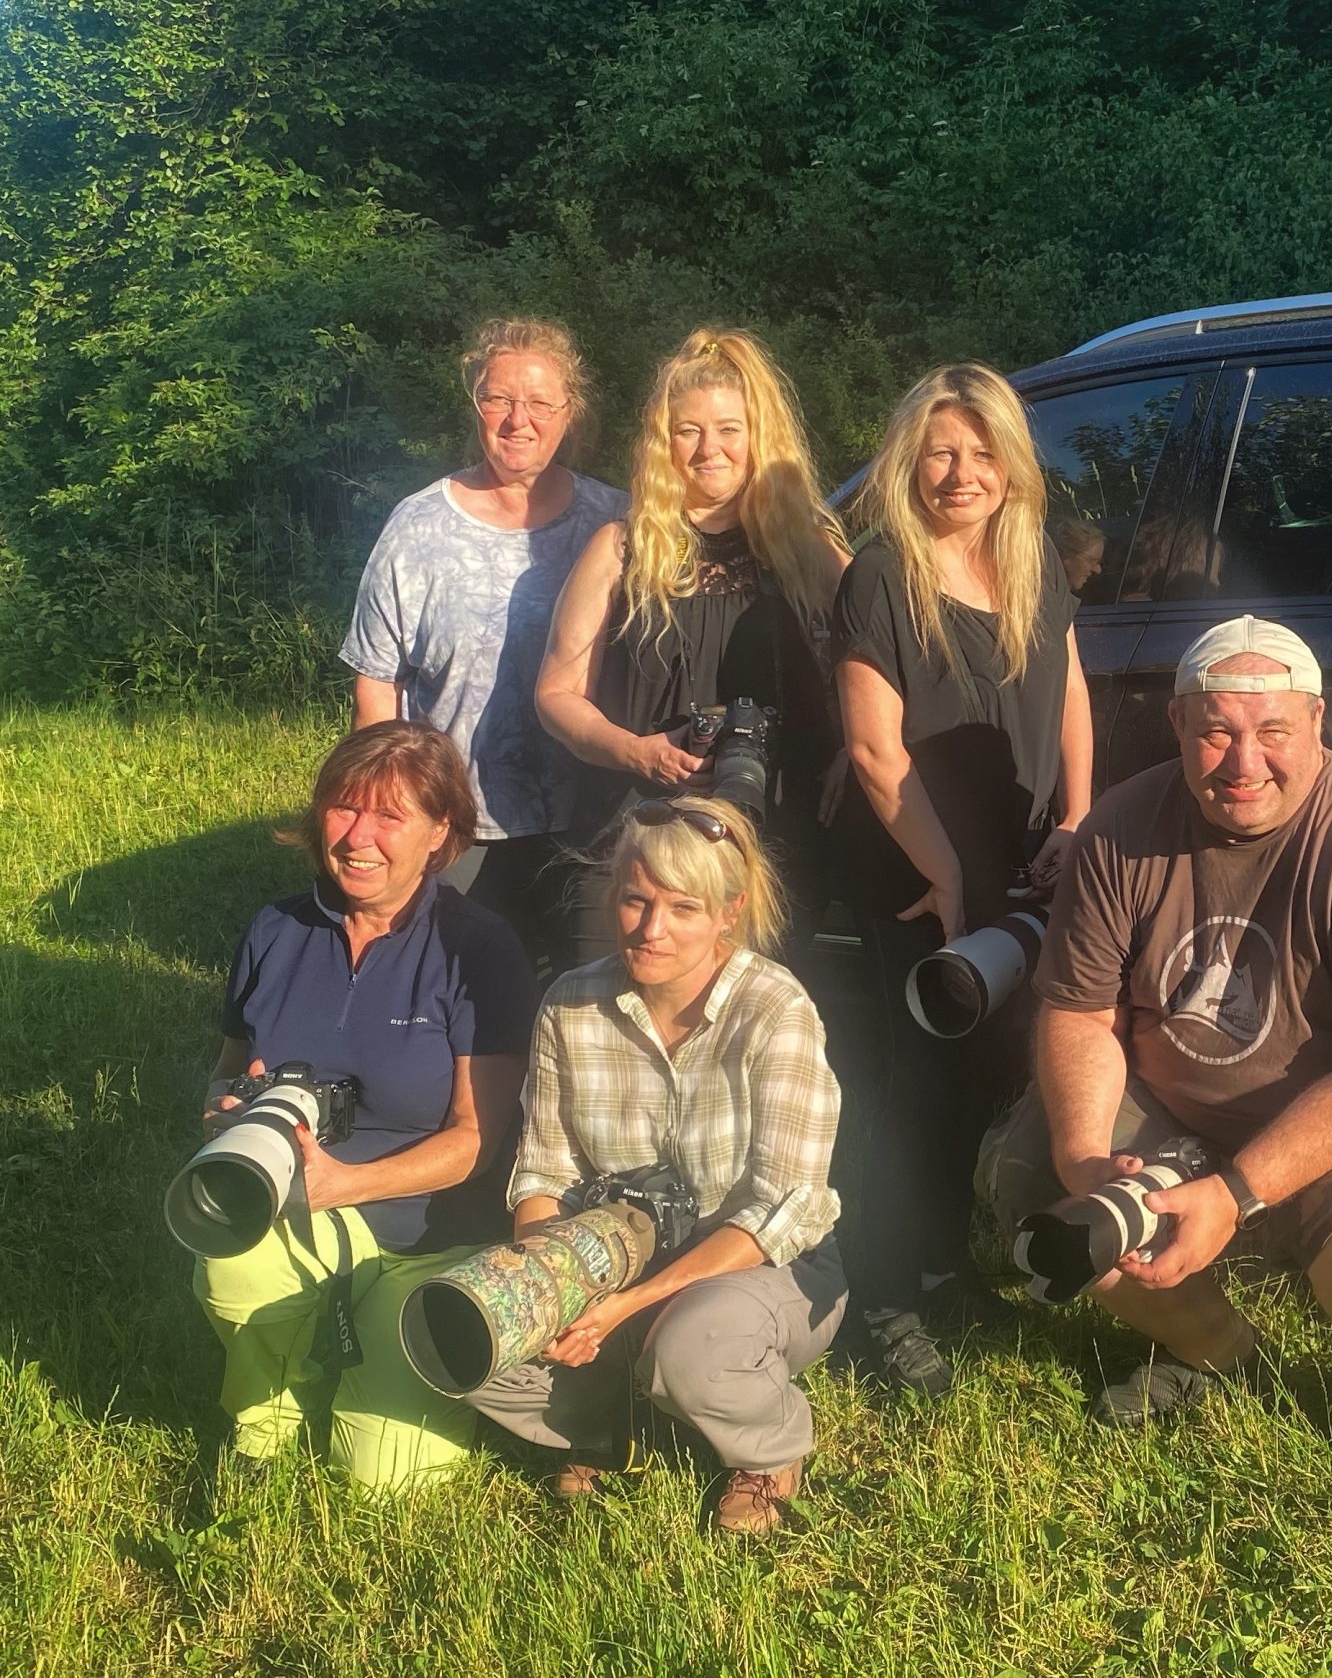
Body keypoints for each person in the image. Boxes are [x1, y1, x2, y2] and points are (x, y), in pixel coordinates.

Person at [979, 616, 1332, 1462]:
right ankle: (1217, 1350)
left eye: (1272, 730)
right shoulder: (1117, 829)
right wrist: (1085, 1158)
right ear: (1176, 723)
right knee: (1049, 1183)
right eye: (1216, 731)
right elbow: (1080, 1013)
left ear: (1317, 721)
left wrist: (1236, 1192)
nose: (1243, 761)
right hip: (1182, 1102)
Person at [467, 797, 847, 1537]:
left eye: (683, 907)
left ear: (730, 912)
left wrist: (628, 1307)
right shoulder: (569, 1003)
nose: (651, 929)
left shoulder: (776, 1008)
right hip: (613, 1251)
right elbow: (543, 1172)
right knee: (479, 1330)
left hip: (764, 1262)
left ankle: (767, 1448)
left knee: (692, 1345)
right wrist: (549, 1286)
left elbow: (784, 1207)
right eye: (636, 900)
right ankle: (611, 1421)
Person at [827, 363, 1092, 1394]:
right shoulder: (879, 577)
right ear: (908, 461)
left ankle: (942, 1267)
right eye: (940, 452)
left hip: (1021, 855)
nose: (961, 473)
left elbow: (1071, 685)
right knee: (917, 1089)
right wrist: (945, 875)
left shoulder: (1031, 559)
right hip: (919, 866)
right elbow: (873, 748)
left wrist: (1075, 815)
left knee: (983, 1081)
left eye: (983, 452)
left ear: (1012, 463)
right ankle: (883, 1300)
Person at [195, 722, 535, 1488]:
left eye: (389, 815)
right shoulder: (275, 929)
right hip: (295, 1205)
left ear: (440, 831)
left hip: (433, 1233)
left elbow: (477, 1139)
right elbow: (224, 1071)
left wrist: (346, 1184)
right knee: (230, 1266)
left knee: (384, 1478)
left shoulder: (478, 948)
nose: (358, 837)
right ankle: (265, 1414)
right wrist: (223, 1115)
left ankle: (357, 1339)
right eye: (344, 807)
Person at [536, 326, 850, 970]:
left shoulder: (807, 549)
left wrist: (855, 752)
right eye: (689, 431)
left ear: (758, 436)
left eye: (730, 429)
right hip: (635, 836)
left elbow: (888, 665)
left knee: (750, 1016)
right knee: (607, 1012)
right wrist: (635, 750)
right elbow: (556, 695)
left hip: (771, 842)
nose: (711, 449)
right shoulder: (620, 549)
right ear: (664, 443)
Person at [340, 318, 627, 971]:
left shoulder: (616, 521)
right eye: (498, 398)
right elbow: (376, 682)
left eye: (540, 403)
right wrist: (388, 817)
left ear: (570, 413)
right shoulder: (418, 527)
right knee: (460, 996)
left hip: (592, 821)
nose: (518, 420)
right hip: (456, 824)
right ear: (475, 406)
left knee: (584, 1001)